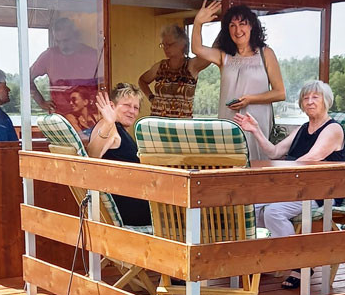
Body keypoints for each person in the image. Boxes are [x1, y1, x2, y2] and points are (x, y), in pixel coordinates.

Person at [234, 80, 345, 289]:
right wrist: (255, 130)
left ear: (326, 101)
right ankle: (267, 257)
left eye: (315, 97)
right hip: (294, 188)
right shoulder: (304, 128)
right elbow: (274, 152)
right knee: (251, 208)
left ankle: (300, 264)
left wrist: (278, 176)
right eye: (306, 98)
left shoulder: (333, 129)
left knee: (273, 212)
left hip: (320, 192)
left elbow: (312, 158)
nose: (310, 102)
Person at [192, 1, 285, 161]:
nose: (238, 30)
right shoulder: (224, 55)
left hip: (258, 123)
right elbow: (197, 49)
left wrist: (250, 99)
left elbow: (280, 93)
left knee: (257, 165)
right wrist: (198, 22)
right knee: (228, 164)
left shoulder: (266, 53)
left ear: (252, 27)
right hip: (228, 122)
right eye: (232, 25)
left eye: (242, 24)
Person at [87, 83, 151, 227]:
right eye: (126, 105)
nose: (132, 111)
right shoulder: (109, 128)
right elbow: (91, 157)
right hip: (130, 212)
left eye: (136, 107)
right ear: (111, 106)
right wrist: (108, 123)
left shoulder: (114, 128)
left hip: (130, 201)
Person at [30, 17, 102, 117]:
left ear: (76, 36)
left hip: (90, 118)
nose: (63, 45)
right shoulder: (49, 56)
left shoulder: (93, 55)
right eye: (58, 41)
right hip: (60, 119)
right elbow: (27, 78)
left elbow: (103, 86)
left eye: (66, 40)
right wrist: (41, 102)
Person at [138, 24, 211, 118]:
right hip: (158, 124)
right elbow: (142, 80)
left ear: (182, 44)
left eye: (169, 44)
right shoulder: (160, 67)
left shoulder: (191, 65)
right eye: (163, 45)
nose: (165, 48)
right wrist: (151, 98)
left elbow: (210, 55)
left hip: (182, 126)